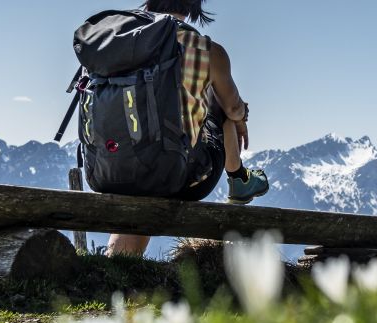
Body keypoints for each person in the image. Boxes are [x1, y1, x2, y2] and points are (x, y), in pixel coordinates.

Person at [108, 0, 269, 257]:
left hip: (113, 168)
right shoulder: (208, 51)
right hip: (180, 176)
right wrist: (239, 116)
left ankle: (118, 267)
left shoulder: (119, 43)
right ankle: (238, 179)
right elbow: (234, 108)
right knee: (222, 101)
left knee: (147, 175)